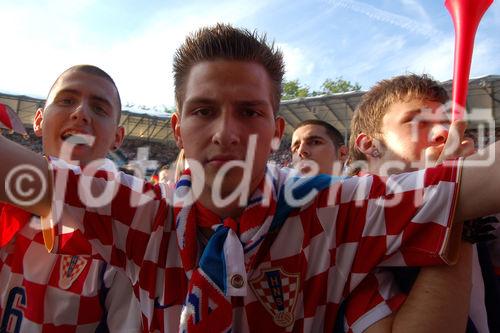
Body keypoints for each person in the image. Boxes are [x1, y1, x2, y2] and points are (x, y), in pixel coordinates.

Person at [1, 24, 500, 332]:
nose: (225, 133)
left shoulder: (335, 207)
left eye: (249, 112)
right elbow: (28, 178)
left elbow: (474, 188)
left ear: (277, 130)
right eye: (203, 111)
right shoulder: (142, 213)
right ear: (177, 129)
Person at [345, 73, 499, 333]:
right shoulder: (347, 218)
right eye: (417, 121)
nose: (443, 133)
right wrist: (453, 209)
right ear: (369, 144)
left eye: (446, 123)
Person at [0, 65, 142, 332]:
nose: (80, 113)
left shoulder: (125, 230)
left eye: (99, 108)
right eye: (66, 100)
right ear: (39, 121)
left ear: (117, 137)